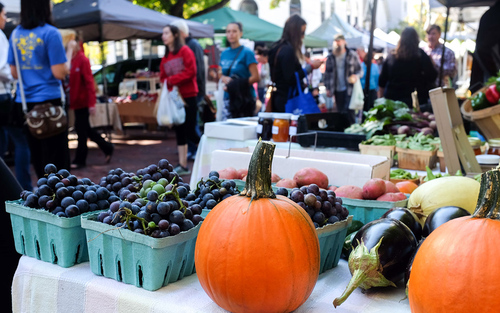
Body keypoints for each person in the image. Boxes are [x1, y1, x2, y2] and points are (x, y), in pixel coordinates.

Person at [8, 0, 74, 179]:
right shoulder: (51, 33)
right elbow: (59, 72)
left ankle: (44, 198)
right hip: (51, 102)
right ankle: (61, 200)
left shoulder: (15, 35)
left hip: (26, 104)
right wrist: (69, 53)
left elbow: (14, 73)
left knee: (38, 158)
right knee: (58, 161)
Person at [69, 32, 114, 169]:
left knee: (82, 132)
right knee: (85, 130)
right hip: (76, 103)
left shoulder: (82, 60)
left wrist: (91, 104)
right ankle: (107, 147)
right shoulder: (72, 59)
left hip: (82, 103)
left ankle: (80, 159)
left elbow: (90, 83)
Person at [159, 24, 199, 176]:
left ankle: (206, 153)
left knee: (190, 130)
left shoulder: (185, 51)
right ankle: (183, 164)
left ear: (175, 35)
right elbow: (162, 77)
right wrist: (169, 83)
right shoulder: (165, 57)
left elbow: (191, 71)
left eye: (166, 33)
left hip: (188, 96)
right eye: (163, 33)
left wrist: (172, 80)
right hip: (174, 98)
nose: (163, 36)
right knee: (180, 131)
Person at [0, 2, 32, 191]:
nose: (5, 18)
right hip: (3, 96)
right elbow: (4, 69)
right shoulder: (1, 36)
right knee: (20, 142)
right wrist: (13, 76)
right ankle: (23, 190)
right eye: (3, 14)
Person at [268, 15, 322, 112]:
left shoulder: (278, 47)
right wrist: (310, 68)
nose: (303, 36)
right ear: (296, 32)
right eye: (302, 32)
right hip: (288, 100)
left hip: (279, 97)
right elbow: (290, 78)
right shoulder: (288, 50)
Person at [378, 27, 438, 109]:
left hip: (393, 102)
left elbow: (382, 81)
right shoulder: (421, 55)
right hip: (416, 102)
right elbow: (432, 77)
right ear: (416, 39)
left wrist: (381, 100)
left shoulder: (392, 56)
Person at [219, 22, 260, 119]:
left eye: (234, 31)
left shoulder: (247, 52)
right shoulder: (224, 53)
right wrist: (223, 78)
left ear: (240, 33)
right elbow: (220, 72)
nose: (231, 34)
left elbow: (256, 77)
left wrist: (236, 84)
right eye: (228, 31)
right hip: (228, 97)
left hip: (244, 98)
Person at [323, 33, 363, 125]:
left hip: (349, 89)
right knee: (340, 113)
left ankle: (352, 131)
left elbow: (360, 71)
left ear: (344, 42)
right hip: (336, 89)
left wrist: (355, 76)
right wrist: (328, 88)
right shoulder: (330, 57)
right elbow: (326, 74)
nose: (338, 43)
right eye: (336, 41)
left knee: (350, 113)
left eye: (339, 41)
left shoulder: (351, 55)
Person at [470, 0, 500, 94]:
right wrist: (496, 76)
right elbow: (483, 49)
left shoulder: (491, 15)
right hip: (491, 83)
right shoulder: (494, 15)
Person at [358, 48, 380, 116]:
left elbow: (377, 78)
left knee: (371, 108)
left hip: (371, 90)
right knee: (364, 107)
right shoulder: (362, 66)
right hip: (364, 90)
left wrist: (377, 89)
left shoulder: (374, 66)